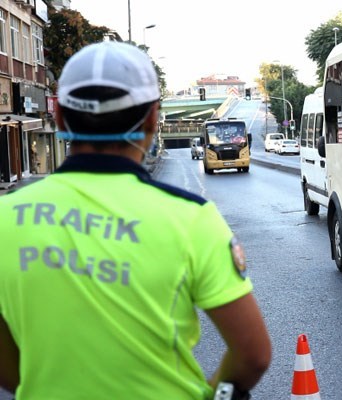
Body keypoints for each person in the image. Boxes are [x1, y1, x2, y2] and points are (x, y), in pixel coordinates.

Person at [0, 42, 271, 399]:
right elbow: (253, 355)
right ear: (153, 119)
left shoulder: (6, 218)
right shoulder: (191, 219)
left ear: (61, 117)